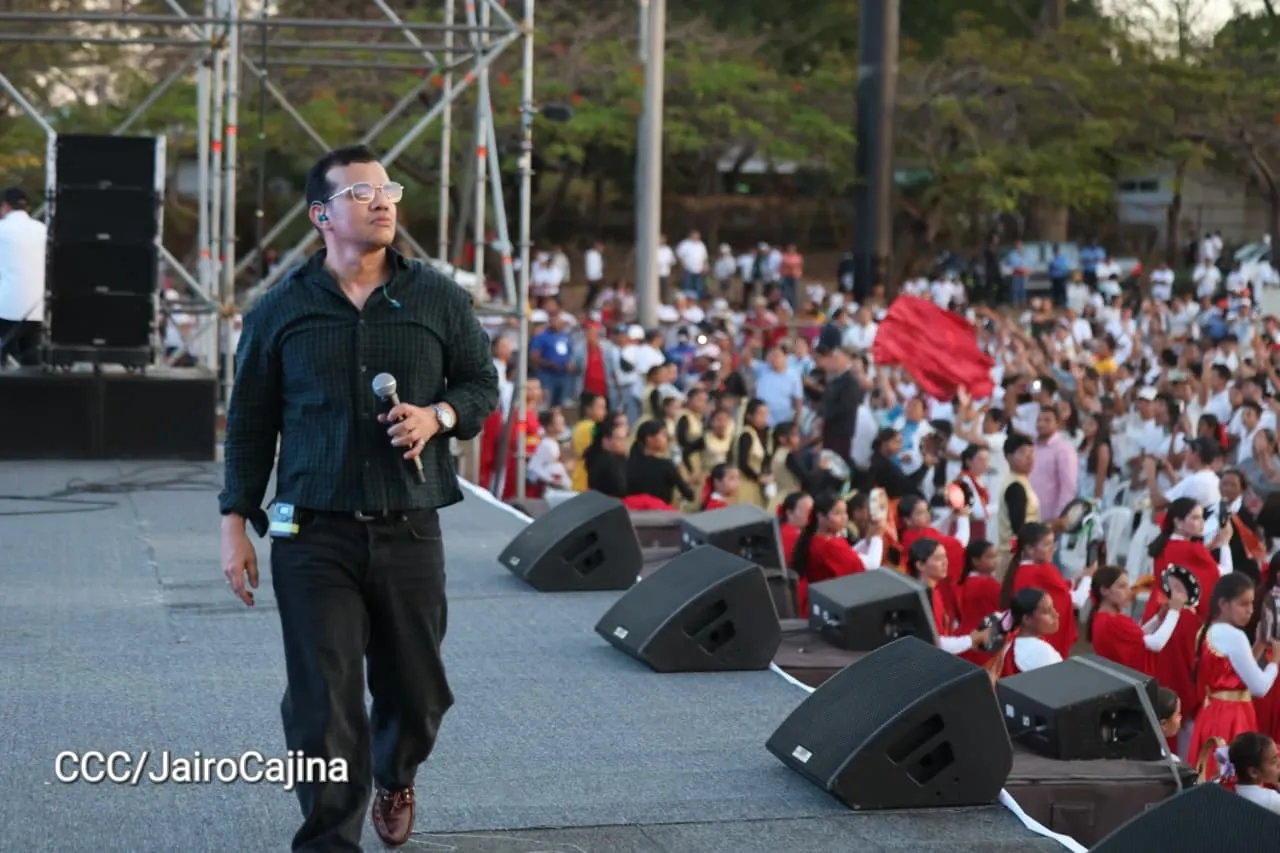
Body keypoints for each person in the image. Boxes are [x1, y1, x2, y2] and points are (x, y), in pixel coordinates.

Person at [218, 145, 499, 852]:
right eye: (362, 193)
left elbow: (480, 385)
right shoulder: (278, 309)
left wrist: (439, 416)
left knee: (417, 690)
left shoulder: (437, 296)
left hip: (410, 528)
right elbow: (250, 424)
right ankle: (328, 836)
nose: (383, 202)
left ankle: (396, 771)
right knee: (322, 699)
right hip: (309, 532)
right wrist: (234, 525)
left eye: (388, 190)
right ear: (322, 215)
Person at [1189, 575, 1280, 769]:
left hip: (1211, 711)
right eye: (1243, 604)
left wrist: (1258, 646)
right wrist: (1275, 663)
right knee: (1234, 780)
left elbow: (1234, 673)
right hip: (1233, 715)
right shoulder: (1235, 636)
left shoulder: (1206, 631)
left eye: (1252, 604)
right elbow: (1259, 687)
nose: (1250, 610)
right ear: (1223, 603)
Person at [1001, 522, 1093, 658]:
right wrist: (1088, 578)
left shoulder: (1021, 570)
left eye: (1053, 543)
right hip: (1042, 641)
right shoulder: (1042, 571)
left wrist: (1076, 579)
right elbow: (1076, 601)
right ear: (1030, 549)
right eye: (1046, 545)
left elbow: (1057, 588)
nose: (1053, 549)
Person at [1088, 565, 1184, 678]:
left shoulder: (1101, 618)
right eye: (1122, 586)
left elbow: (1136, 638)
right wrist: (1175, 611)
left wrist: (1158, 619)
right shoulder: (1113, 621)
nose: (1129, 591)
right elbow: (1156, 643)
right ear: (1104, 591)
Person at [905, 537, 991, 656]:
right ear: (920, 565)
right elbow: (934, 643)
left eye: (945, 556)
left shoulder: (934, 591)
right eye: (938, 558)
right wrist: (972, 639)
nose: (945, 562)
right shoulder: (921, 597)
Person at [0, 186, 48, 366]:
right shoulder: (43, 230)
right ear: (27, 208)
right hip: (38, 309)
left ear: (5, 206)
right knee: (31, 359)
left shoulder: (2, 229)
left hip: (5, 311)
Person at [990, 587, 1063, 677]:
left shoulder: (1009, 644)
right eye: (1047, 611)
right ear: (1027, 619)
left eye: (1053, 608)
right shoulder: (1042, 651)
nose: (1056, 614)